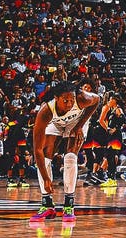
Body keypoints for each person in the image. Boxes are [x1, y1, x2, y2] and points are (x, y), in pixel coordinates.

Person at [29, 81, 100, 223]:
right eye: (65, 100)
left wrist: (80, 125)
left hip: (77, 121)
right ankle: (47, 204)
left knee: (70, 157)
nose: (69, 104)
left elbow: (97, 99)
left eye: (71, 100)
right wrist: (46, 178)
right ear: (56, 98)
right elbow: (37, 150)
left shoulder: (83, 99)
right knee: (46, 155)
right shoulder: (45, 111)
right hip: (56, 123)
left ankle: (69, 205)